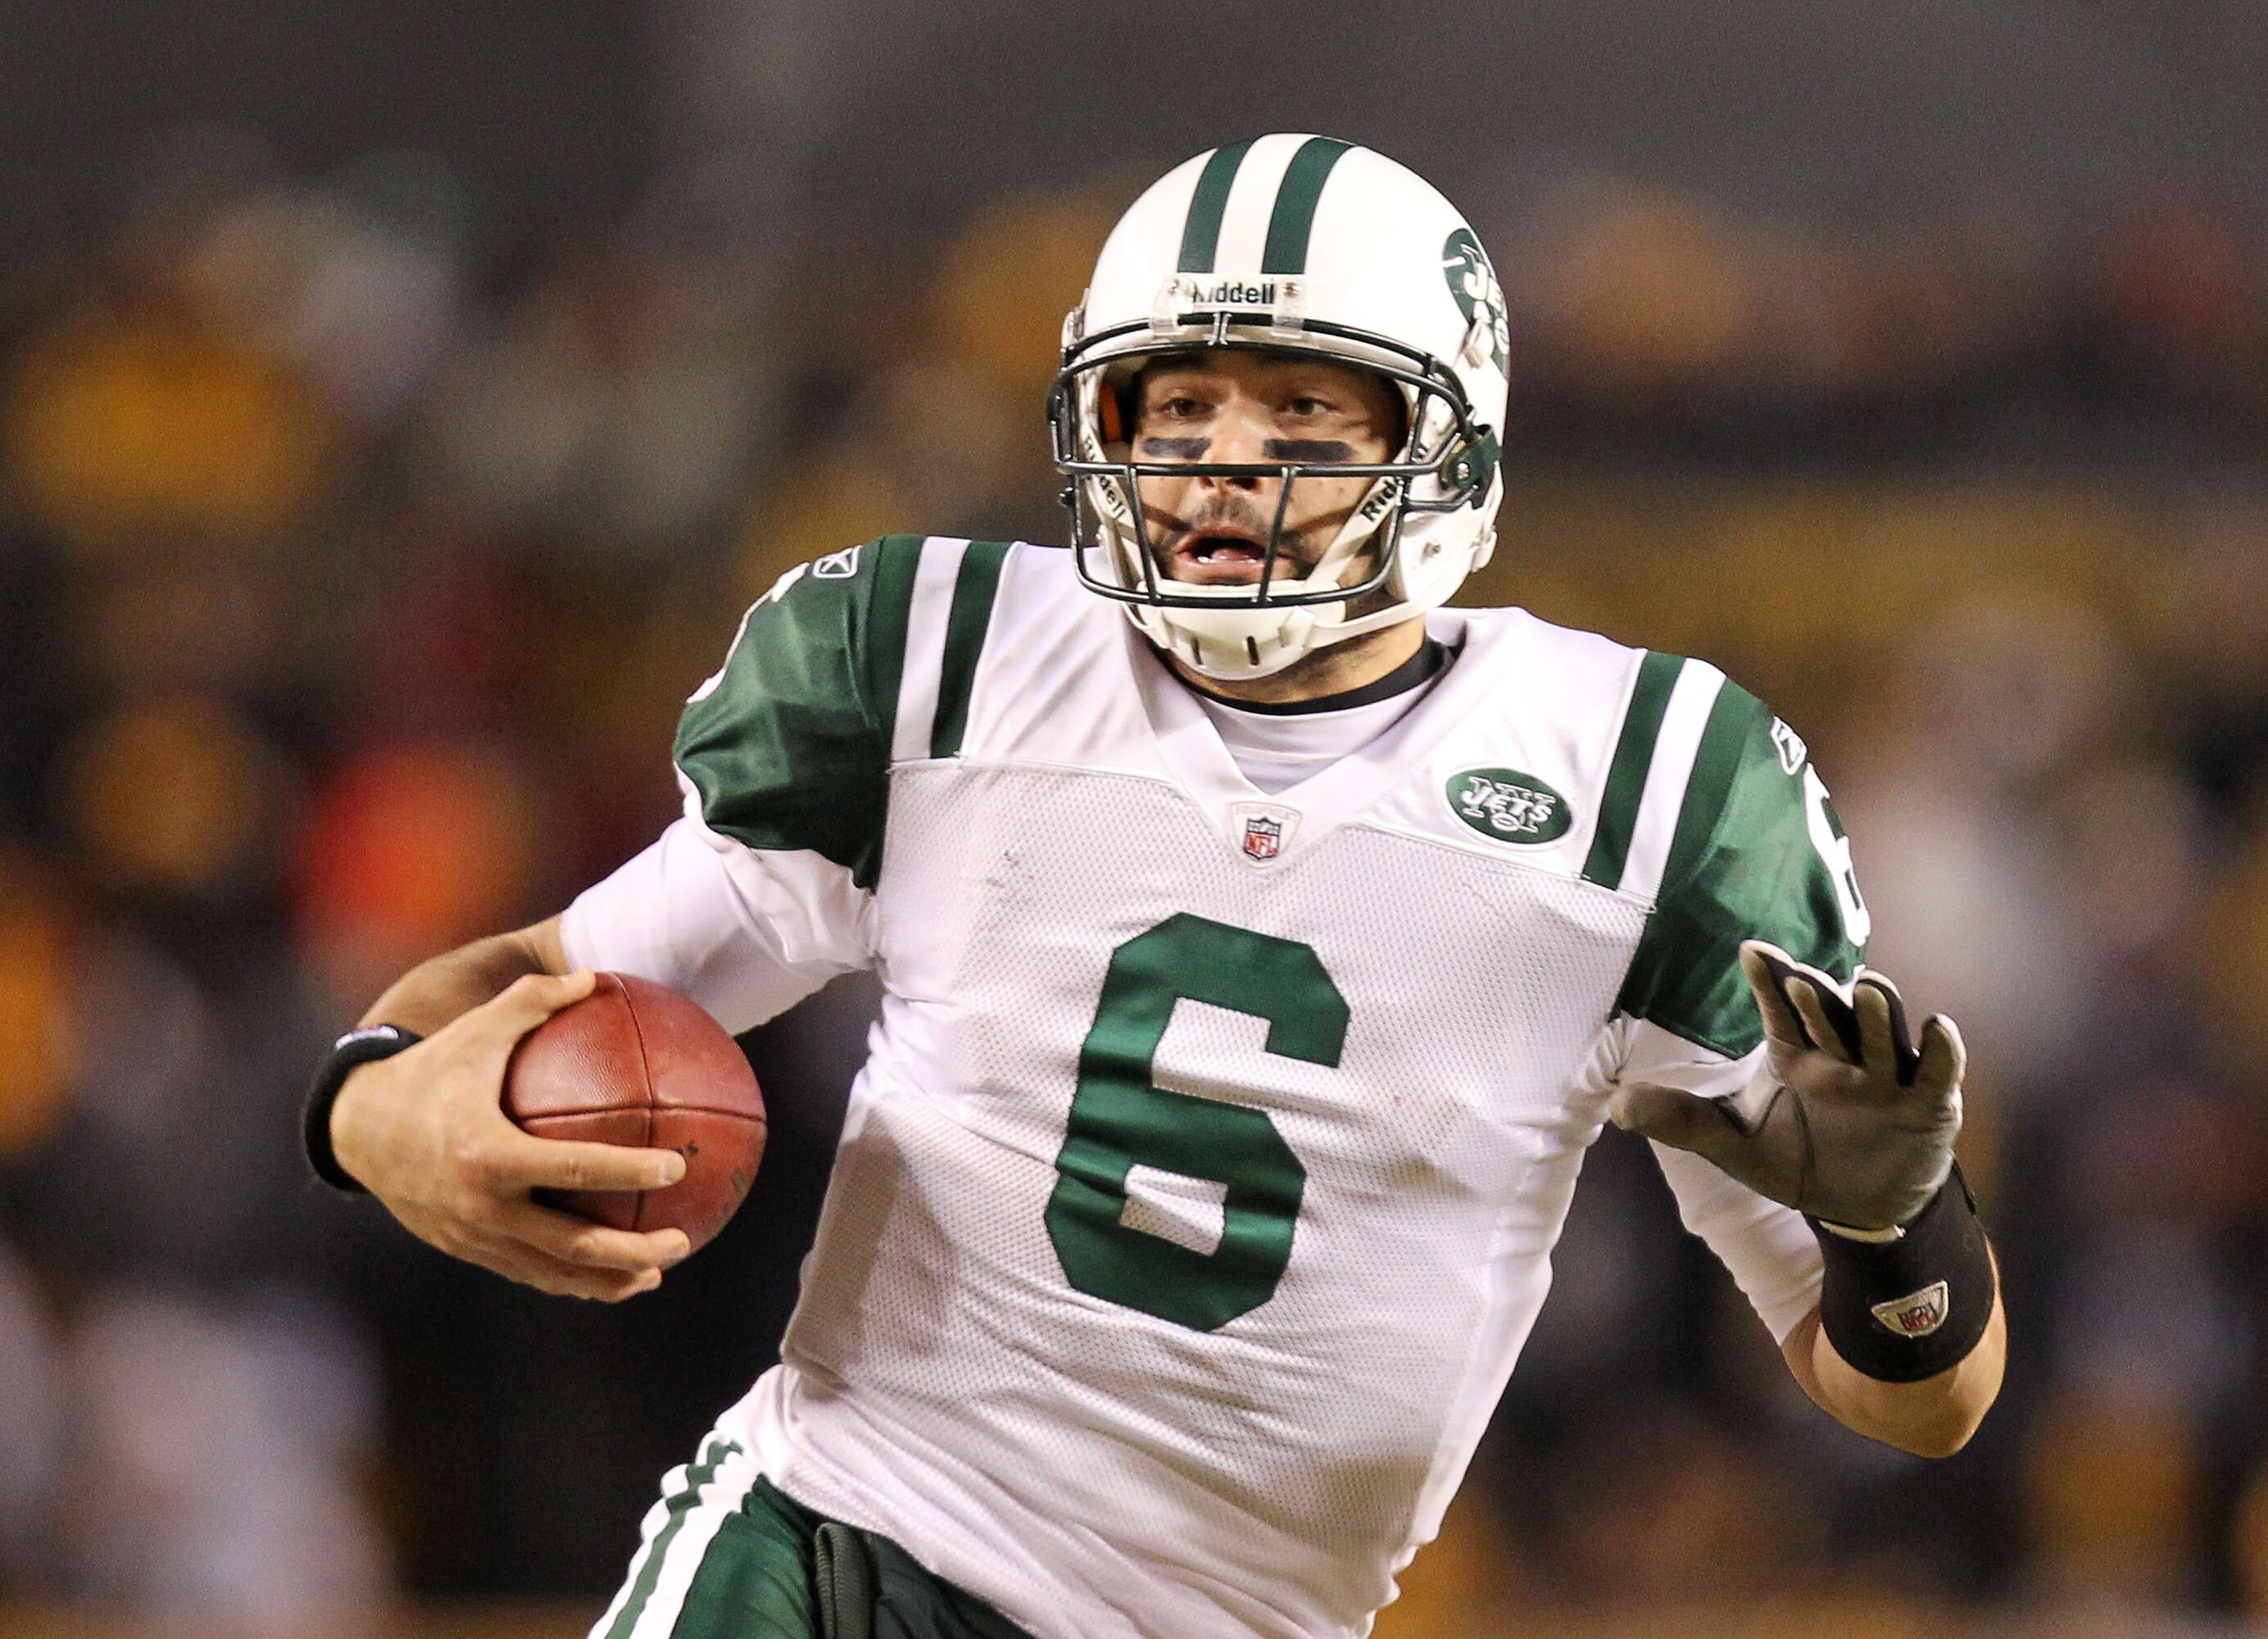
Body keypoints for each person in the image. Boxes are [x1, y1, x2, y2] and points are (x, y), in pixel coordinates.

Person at [305, 136, 2007, 1639]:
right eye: (1174, 403)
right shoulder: (950, 669)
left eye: (1301, 410)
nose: (1219, 462)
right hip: (840, 1553)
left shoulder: (1646, 783)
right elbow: (519, 991)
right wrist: (373, 1116)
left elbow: (1923, 1398)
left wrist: (1888, 1228)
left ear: (1449, 432)